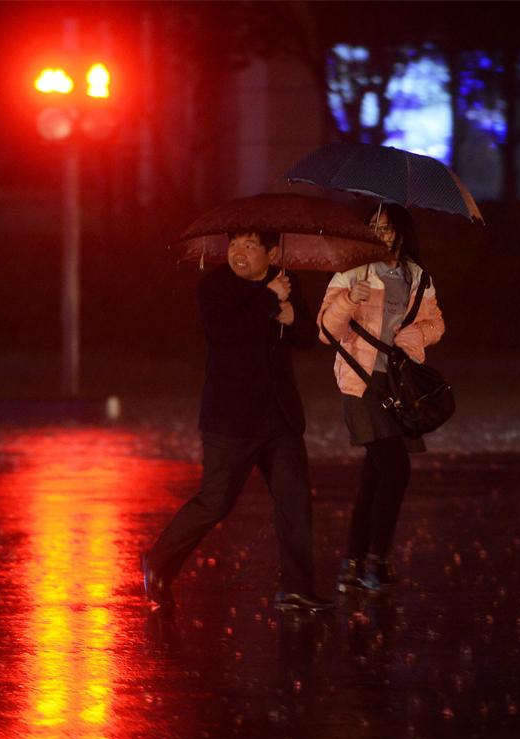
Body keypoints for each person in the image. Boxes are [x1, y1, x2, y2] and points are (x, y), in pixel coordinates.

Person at [141, 230, 334, 613]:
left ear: (271, 252)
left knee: (294, 502)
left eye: (249, 246)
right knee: (215, 502)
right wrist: (269, 299)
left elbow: (308, 337)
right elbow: (223, 333)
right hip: (230, 419)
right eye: (233, 245)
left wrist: (293, 315)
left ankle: (296, 589)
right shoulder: (214, 285)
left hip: (278, 416)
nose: (238, 253)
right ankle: (159, 561)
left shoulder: (286, 280)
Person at [317, 203, 445, 592]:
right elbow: (326, 330)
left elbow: (435, 324)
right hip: (360, 382)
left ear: (403, 232)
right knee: (396, 469)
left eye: (388, 227)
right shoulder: (352, 271)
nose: (382, 234)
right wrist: (350, 299)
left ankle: (352, 564)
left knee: (374, 477)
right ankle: (377, 561)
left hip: (396, 385)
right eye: (375, 226)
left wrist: (413, 339)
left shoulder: (417, 276)